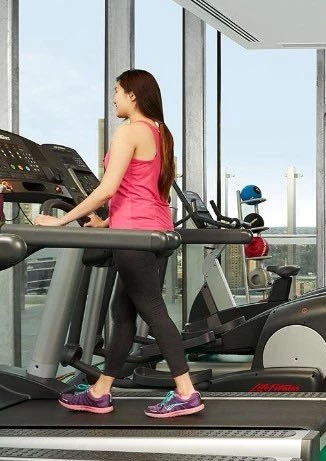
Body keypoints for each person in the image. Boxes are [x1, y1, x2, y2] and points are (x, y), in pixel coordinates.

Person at [35, 69, 202, 418]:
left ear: (133, 95)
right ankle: (101, 391)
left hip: (134, 237)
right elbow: (142, 192)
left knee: (152, 309)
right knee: (122, 312)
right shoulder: (160, 132)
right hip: (154, 230)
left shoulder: (129, 131)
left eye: (117, 91)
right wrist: (104, 222)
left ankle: (186, 392)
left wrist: (61, 221)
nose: (114, 98)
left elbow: (108, 189)